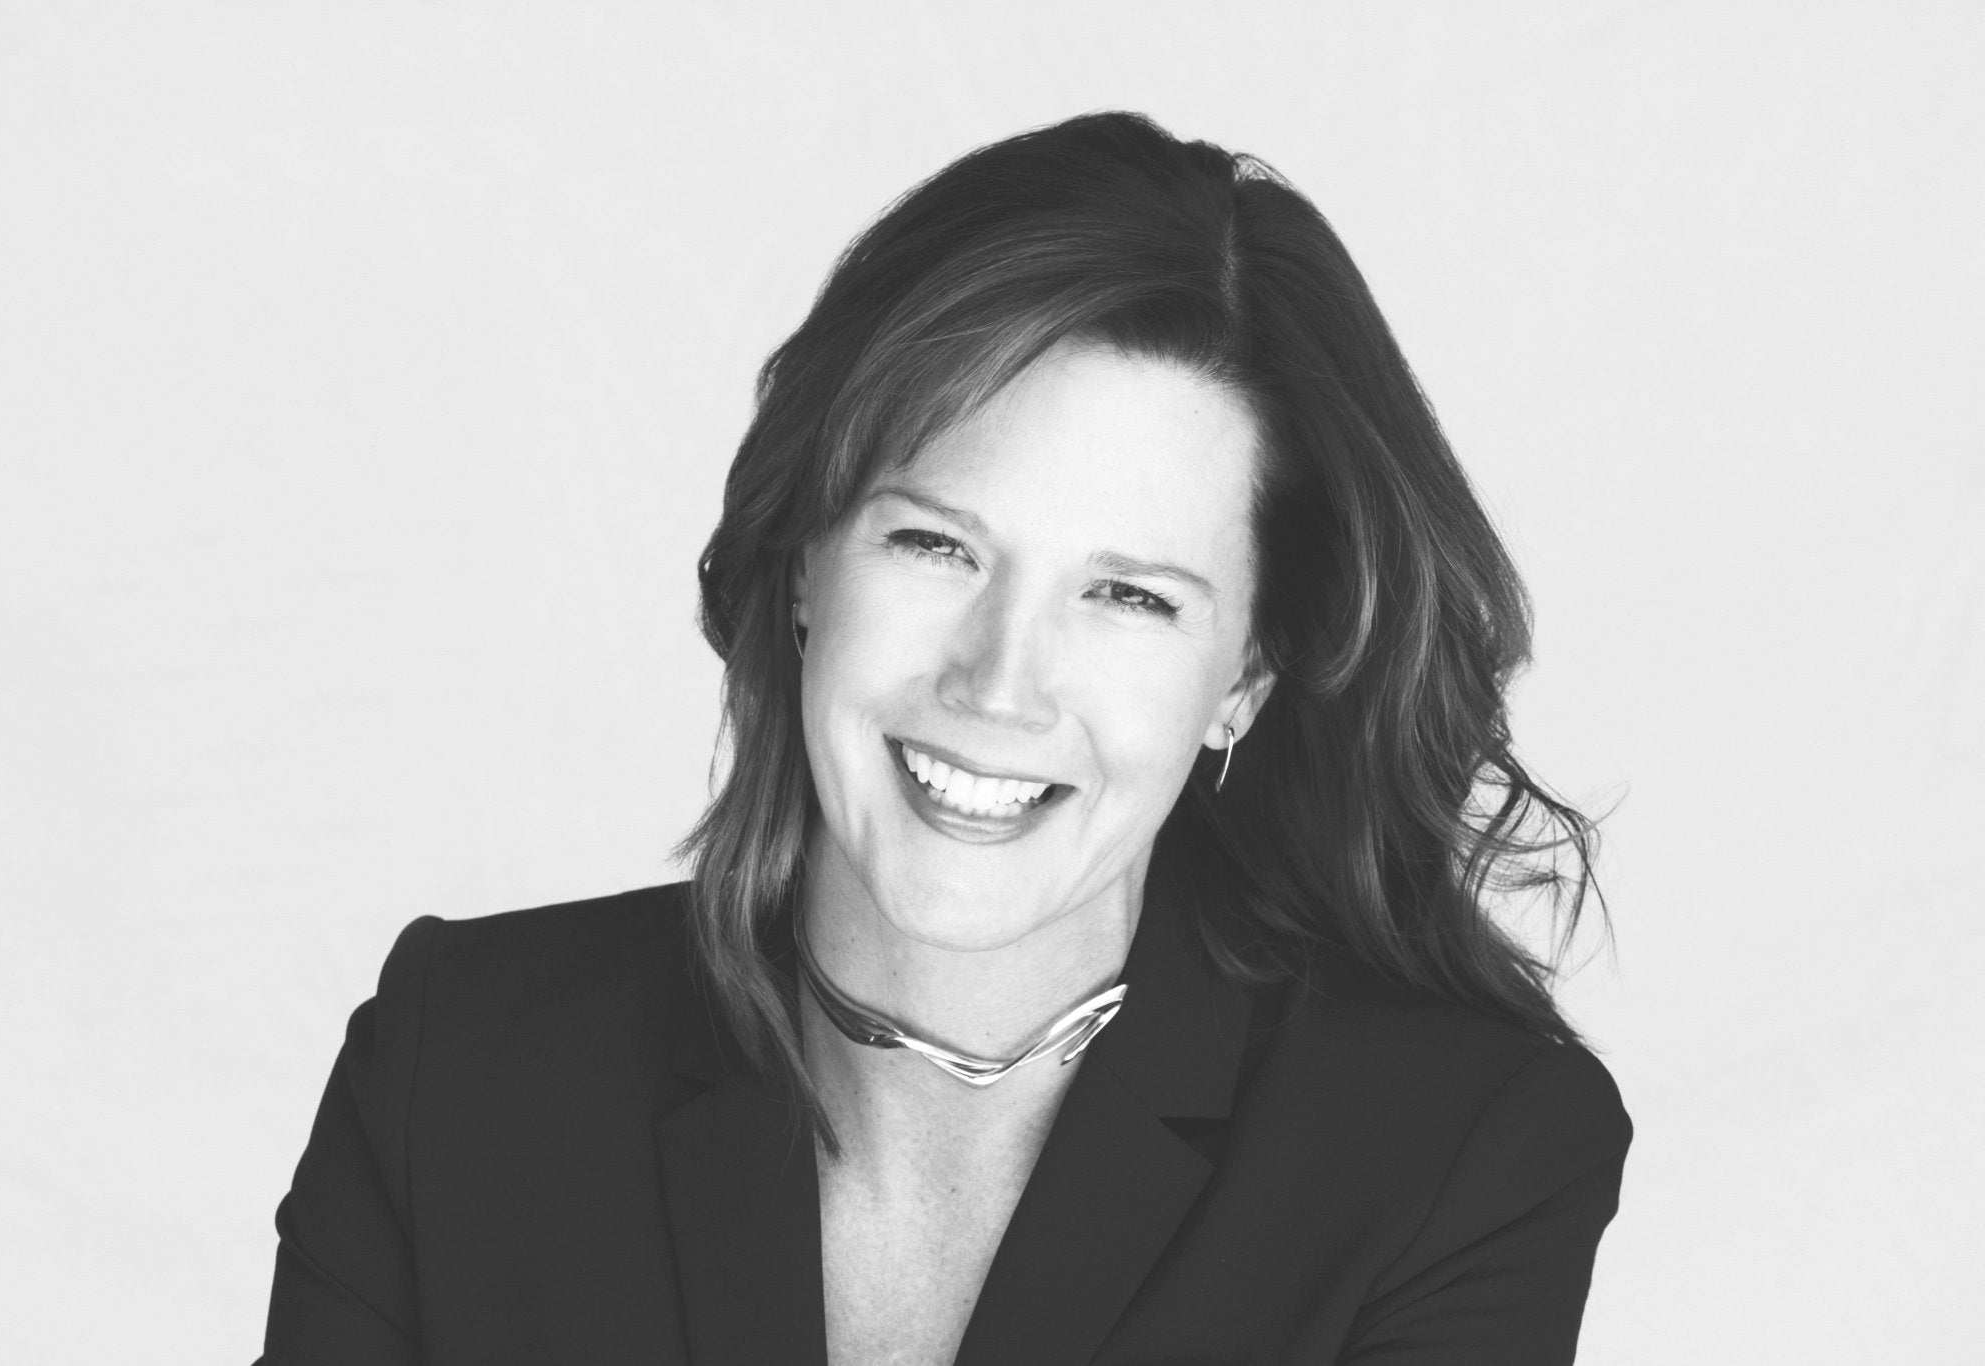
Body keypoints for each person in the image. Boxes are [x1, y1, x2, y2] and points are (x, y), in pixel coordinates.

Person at [258, 110, 1630, 1365]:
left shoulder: (1459, 1160)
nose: (998, 681)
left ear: (1244, 679)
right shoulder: (463, 1076)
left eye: (1129, 596)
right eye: (935, 542)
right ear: (807, 564)